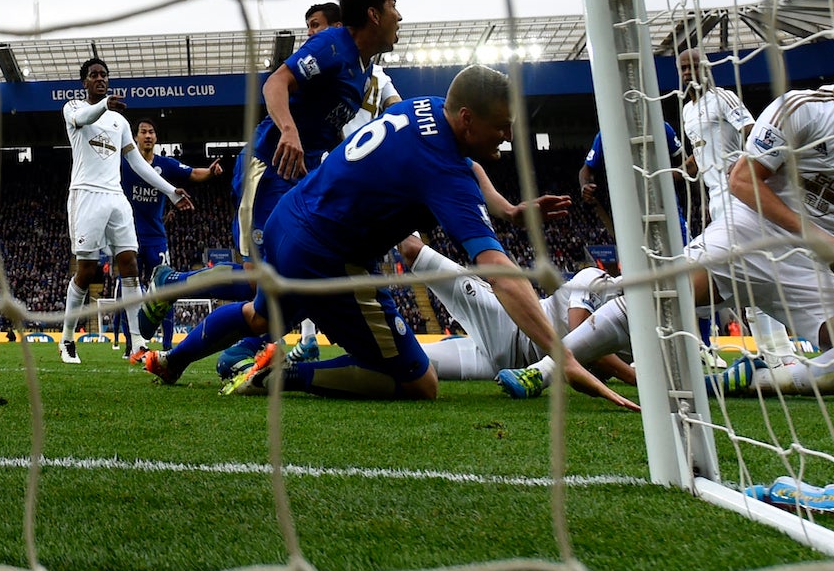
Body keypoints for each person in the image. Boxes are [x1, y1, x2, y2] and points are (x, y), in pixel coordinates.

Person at [148, 66, 636, 408]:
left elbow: (469, 163)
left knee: (259, 313)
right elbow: (501, 274)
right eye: (501, 128)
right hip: (328, 255)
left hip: (291, 219)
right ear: (467, 120)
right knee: (421, 382)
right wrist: (563, 357)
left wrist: (506, 208)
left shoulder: (430, 109)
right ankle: (285, 373)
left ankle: (173, 360)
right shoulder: (443, 169)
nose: (505, 138)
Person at [517, 84, 834, 399]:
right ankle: (544, 369)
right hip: (748, 232)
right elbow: (743, 181)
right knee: (660, 298)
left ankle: (762, 380)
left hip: (806, 263)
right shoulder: (803, 109)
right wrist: (823, 240)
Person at [220, 0, 403, 375]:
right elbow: (275, 83)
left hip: (304, 174)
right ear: (373, 14)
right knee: (265, 271)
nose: (400, 15)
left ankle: (259, 345)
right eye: (393, 5)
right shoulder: (333, 45)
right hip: (269, 164)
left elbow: (331, 123)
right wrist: (288, 130)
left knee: (303, 262)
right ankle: (182, 290)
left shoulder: (364, 69)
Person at [59, 58, 186, 364]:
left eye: (104, 75)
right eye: (94, 75)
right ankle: (66, 339)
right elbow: (88, 115)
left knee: (129, 265)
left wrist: (170, 191)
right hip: (86, 194)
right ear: (84, 82)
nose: (100, 78)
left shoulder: (120, 123)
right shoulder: (74, 108)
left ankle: (139, 342)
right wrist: (104, 104)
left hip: (116, 196)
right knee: (86, 271)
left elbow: (138, 163)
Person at [400, 235, 632, 383]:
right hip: (508, 324)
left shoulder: (637, 336)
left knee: (411, 362)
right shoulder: (596, 278)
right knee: (412, 251)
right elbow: (580, 335)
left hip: (508, 367)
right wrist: (634, 377)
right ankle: (397, 192)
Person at [115, 119, 220, 358]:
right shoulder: (124, 163)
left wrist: (211, 172)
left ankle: (167, 345)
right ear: (135, 137)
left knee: (166, 290)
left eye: (151, 132)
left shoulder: (166, 165)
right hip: (127, 235)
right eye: (143, 132)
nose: (148, 136)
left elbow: (193, 173)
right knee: (126, 290)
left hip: (156, 238)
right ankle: (130, 345)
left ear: (156, 137)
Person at [679, 48, 753, 225]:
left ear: (706, 69)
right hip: (714, 195)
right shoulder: (687, 110)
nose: (688, 72)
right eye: (684, 68)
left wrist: (744, 162)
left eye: (694, 67)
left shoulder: (723, 97)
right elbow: (698, 158)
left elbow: (753, 132)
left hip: (734, 188)